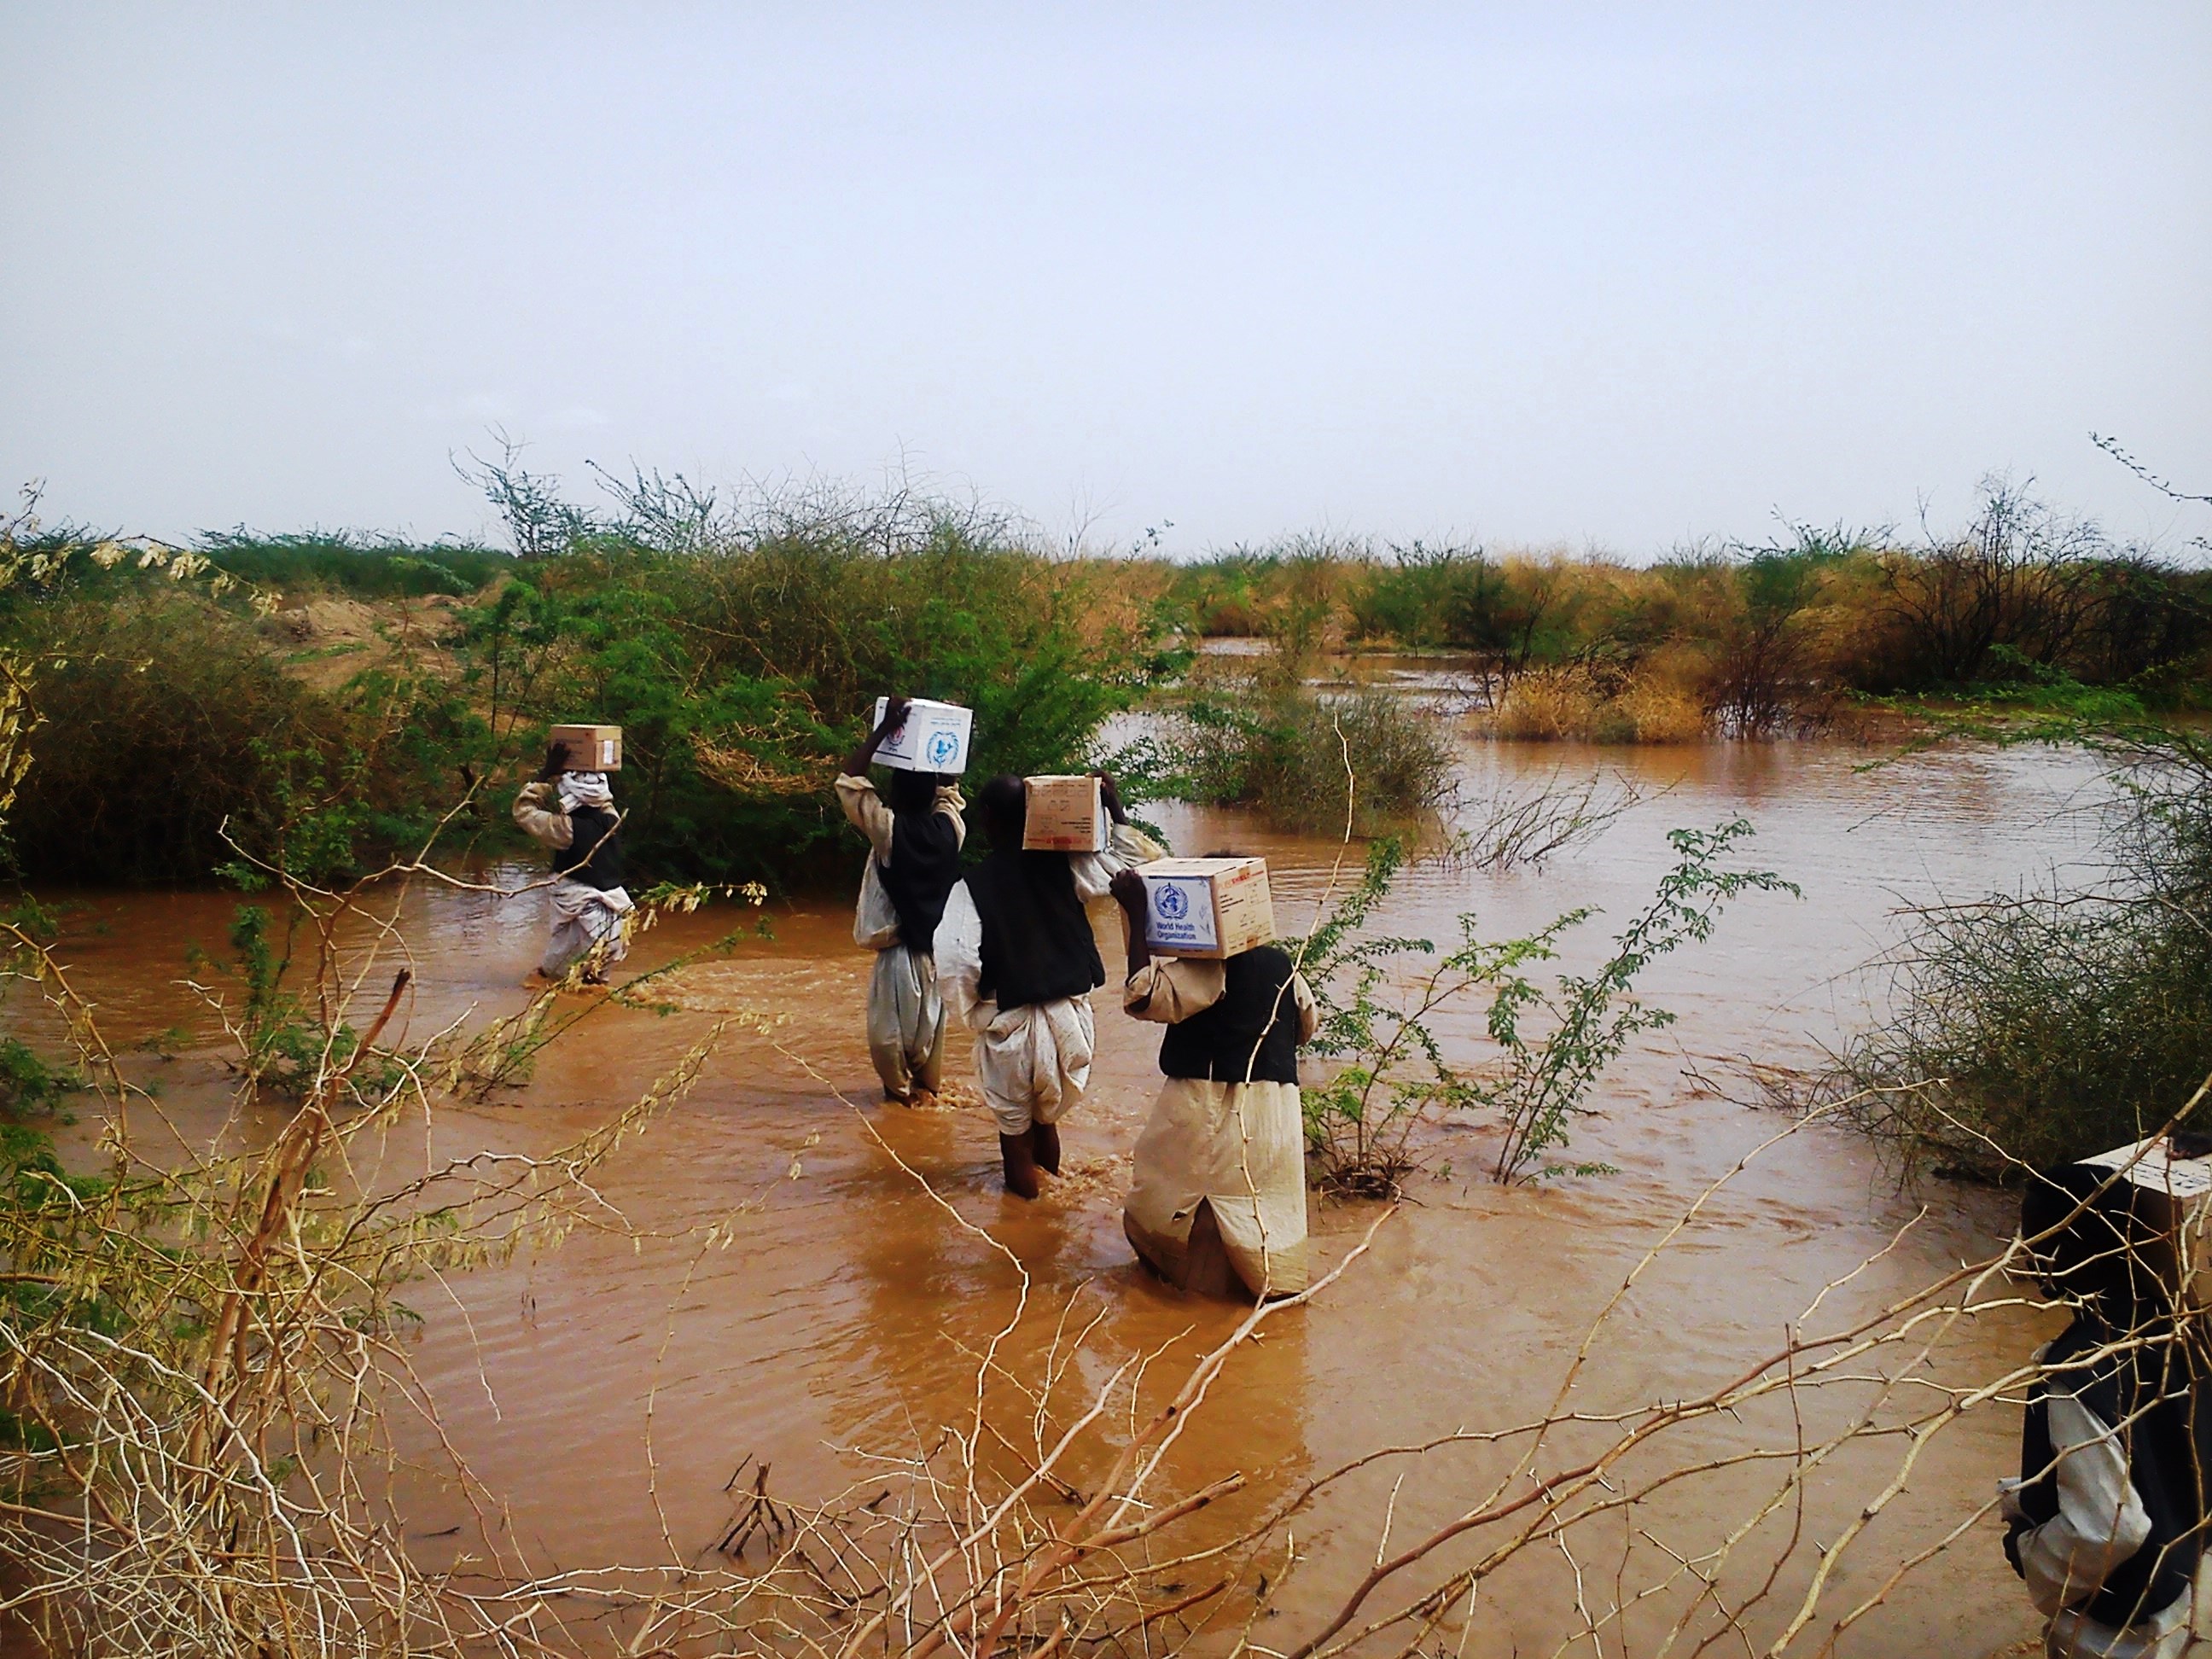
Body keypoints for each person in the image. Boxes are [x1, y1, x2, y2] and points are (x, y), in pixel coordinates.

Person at [2002, 1160, 2211, 1659]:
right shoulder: (2190, 1326)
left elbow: (2106, 1529)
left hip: (2130, 1634)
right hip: (2198, 1593)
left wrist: (2028, 1549)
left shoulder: (2076, 1375)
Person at [934, 771, 1160, 1198]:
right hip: (1069, 1022)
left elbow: (956, 962)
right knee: (1046, 1121)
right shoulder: (1067, 864)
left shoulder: (971, 887)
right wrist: (1114, 808)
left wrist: (974, 1015)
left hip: (1011, 1028)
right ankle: (1053, 1221)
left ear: (985, 819)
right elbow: (1134, 869)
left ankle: (1028, 1229)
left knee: (1014, 1139)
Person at [1109, 860, 1317, 1299]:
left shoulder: (1206, 969)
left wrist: (1135, 914)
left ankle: (1185, 1296)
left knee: (1169, 1199)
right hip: (1275, 1108)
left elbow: (1144, 996)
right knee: (1260, 1207)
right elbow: (1305, 1025)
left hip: (1209, 1103)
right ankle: (1269, 1289)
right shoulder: (1283, 964)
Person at [835, 696, 966, 1108]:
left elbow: (850, 781)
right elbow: (951, 791)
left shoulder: (889, 833)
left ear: (893, 795)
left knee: (890, 1048)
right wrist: (947, 734)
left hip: (898, 957)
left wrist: (884, 728)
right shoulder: (951, 829)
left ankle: (900, 1113)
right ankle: (925, 1117)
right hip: (938, 959)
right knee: (930, 1046)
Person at [511, 740, 634, 984]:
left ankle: (554, 980)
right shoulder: (612, 819)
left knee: (562, 961)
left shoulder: (565, 829)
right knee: (597, 963)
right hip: (608, 901)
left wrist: (545, 776)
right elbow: (601, 799)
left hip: (579, 900)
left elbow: (524, 812)